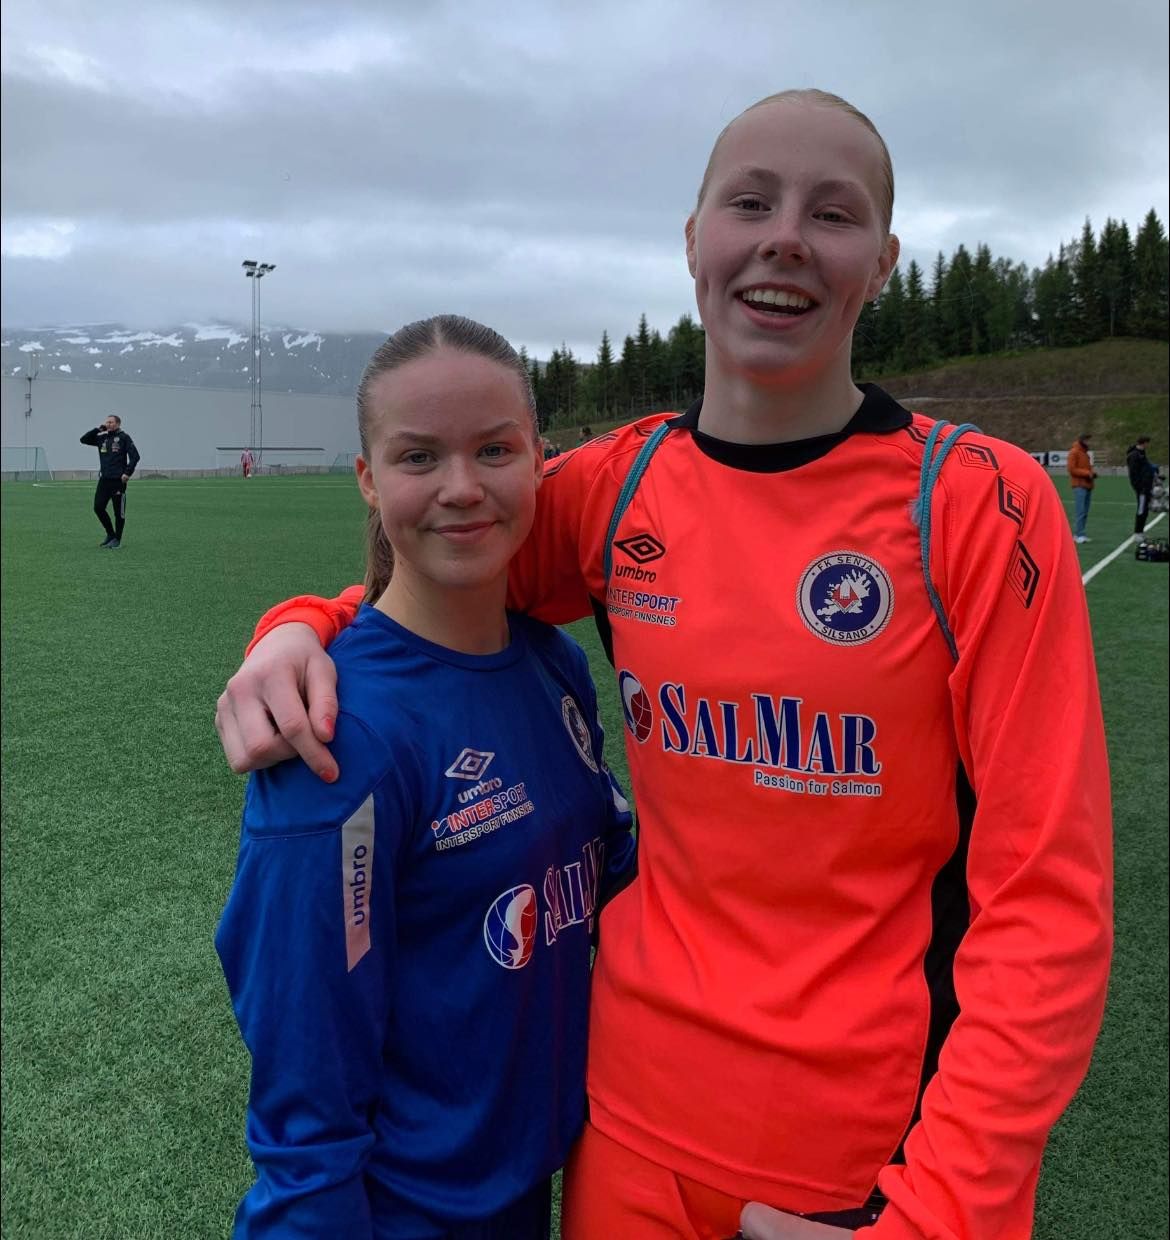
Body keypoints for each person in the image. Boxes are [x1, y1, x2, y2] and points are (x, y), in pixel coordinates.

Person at [215, 91, 1112, 1240]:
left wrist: (944, 1214)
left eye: (832, 214)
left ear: (882, 263)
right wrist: (301, 624)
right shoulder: (617, 485)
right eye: (751, 203)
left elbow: (1048, 899)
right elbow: (435, 576)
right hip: (623, 1130)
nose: (785, 238)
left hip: (855, 1157)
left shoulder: (977, 503)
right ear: (694, 240)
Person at [214, 315, 635, 1239]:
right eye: (417, 457)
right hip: (405, 1213)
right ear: (368, 479)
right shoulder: (339, 734)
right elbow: (305, 1086)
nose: (461, 487)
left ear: (540, 461)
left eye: (495, 450)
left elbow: (608, 876)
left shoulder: (554, 666)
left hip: (531, 1186)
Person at [80, 415, 140, 548]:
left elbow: (135, 456)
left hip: (118, 481)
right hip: (104, 480)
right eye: (107, 422)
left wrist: (127, 473)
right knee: (98, 507)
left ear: (118, 424)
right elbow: (83, 439)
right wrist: (98, 429)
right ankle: (110, 534)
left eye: (111, 422)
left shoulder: (124, 437)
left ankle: (117, 539)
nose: (108, 424)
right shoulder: (102, 438)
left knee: (118, 513)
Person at [1066, 431, 1097, 543]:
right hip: (1079, 485)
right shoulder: (1074, 452)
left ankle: (1080, 533)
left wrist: (1092, 473)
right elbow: (1071, 469)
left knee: (1085, 511)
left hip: (1087, 484)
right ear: (1083, 440)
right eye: (1088, 440)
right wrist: (1087, 473)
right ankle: (1079, 534)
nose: (1090, 442)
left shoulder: (1085, 453)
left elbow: (1086, 467)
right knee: (1081, 511)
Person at [1126, 435, 1157, 535]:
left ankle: (1140, 531)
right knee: (1142, 510)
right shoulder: (1134, 455)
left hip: (1146, 487)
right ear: (1144, 443)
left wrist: (1153, 471)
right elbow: (1133, 474)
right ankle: (1138, 532)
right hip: (1142, 488)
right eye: (1148, 443)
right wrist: (1140, 487)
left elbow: (1145, 468)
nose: (1148, 445)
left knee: (1145, 510)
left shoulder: (1141, 453)